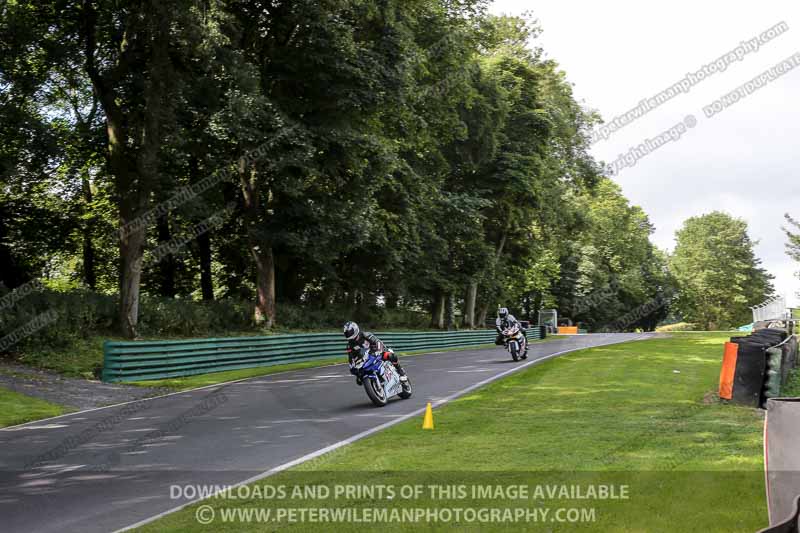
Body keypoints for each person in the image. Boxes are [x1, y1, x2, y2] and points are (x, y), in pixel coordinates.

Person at [343, 321, 408, 385]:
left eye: (350, 332)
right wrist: (353, 369)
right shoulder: (350, 346)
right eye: (347, 333)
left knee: (391, 356)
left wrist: (379, 350)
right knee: (359, 379)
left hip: (377, 351)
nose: (349, 334)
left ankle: (401, 371)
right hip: (366, 359)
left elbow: (377, 341)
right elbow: (351, 359)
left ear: (355, 329)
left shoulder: (365, 335)